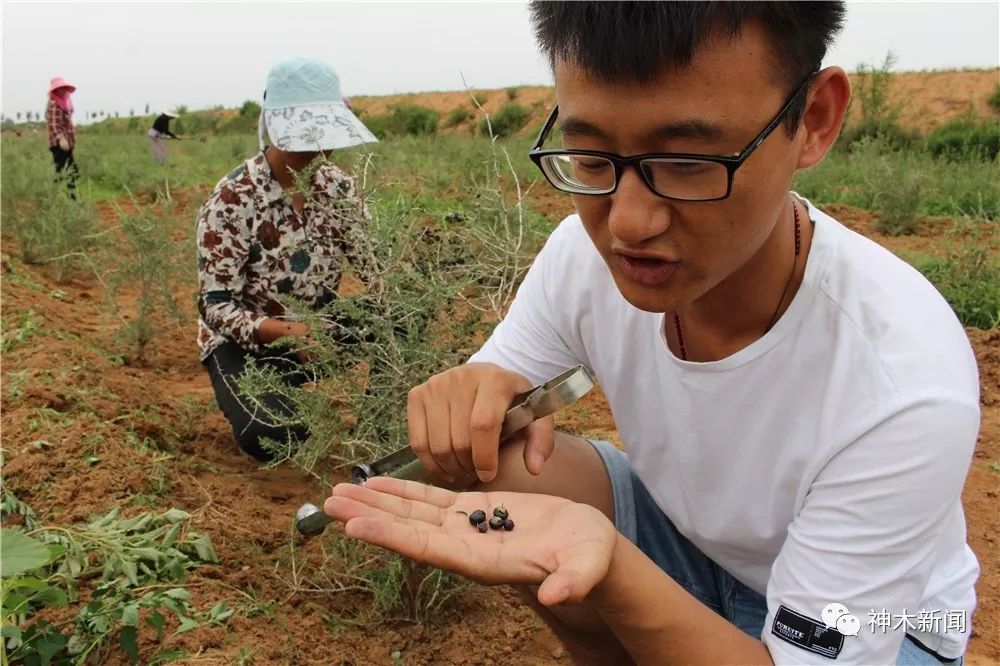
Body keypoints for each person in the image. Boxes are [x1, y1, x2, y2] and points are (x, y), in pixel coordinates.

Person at [323, 3, 981, 665]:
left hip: (876, 625)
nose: (629, 223)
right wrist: (470, 397)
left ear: (812, 120)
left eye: (690, 161)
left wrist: (611, 568)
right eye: (590, 154)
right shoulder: (585, 259)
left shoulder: (902, 380)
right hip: (690, 548)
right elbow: (497, 388)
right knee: (512, 464)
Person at [196, 57, 377, 461]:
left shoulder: (340, 189)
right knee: (274, 437)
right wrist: (286, 332)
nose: (315, 149)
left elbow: (375, 273)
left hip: (319, 333)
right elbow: (215, 306)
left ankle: (376, 429)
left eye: (324, 136)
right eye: (302, 137)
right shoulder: (233, 198)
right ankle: (275, 405)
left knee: (402, 315)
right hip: (248, 346)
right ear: (275, 131)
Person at [45, 77, 78, 198]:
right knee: (67, 171)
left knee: (68, 171)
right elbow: (53, 124)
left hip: (66, 143)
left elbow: (67, 124)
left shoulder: (65, 105)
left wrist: (71, 140)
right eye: (60, 89)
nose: (63, 91)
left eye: (64, 88)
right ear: (55, 91)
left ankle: (66, 197)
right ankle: (61, 198)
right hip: (59, 144)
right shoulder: (54, 105)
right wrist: (61, 139)